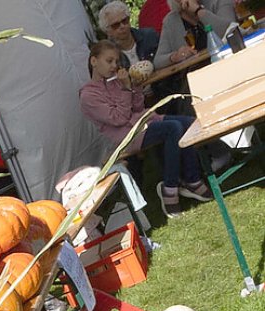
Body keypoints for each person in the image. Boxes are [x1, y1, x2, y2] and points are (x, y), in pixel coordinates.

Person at [80, 40, 211, 214]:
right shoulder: (88, 95)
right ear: (94, 61)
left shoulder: (115, 81)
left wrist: (134, 87)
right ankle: (170, 188)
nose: (114, 66)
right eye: (109, 61)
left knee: (188, 123)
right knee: (173, 129)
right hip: (125, 136)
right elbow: (118, 119)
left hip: (142, 122)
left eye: (116, 62)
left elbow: (137, 107)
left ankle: (191, 178)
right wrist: (126, 90)